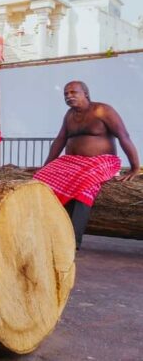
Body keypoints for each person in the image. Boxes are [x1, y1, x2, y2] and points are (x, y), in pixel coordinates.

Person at [33, 80, 139, 247]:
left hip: (102, 161)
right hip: (72, 162)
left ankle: (72, 241)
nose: (69, 96)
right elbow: (60, 140)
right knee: (41, 179)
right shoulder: (69, 115)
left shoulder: (102, 110)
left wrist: (134, 167)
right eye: (66, 94)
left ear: (86, 94)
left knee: (84, 183)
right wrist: (46, 165)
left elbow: (123, 136)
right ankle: (48, 232)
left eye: (73, 92)